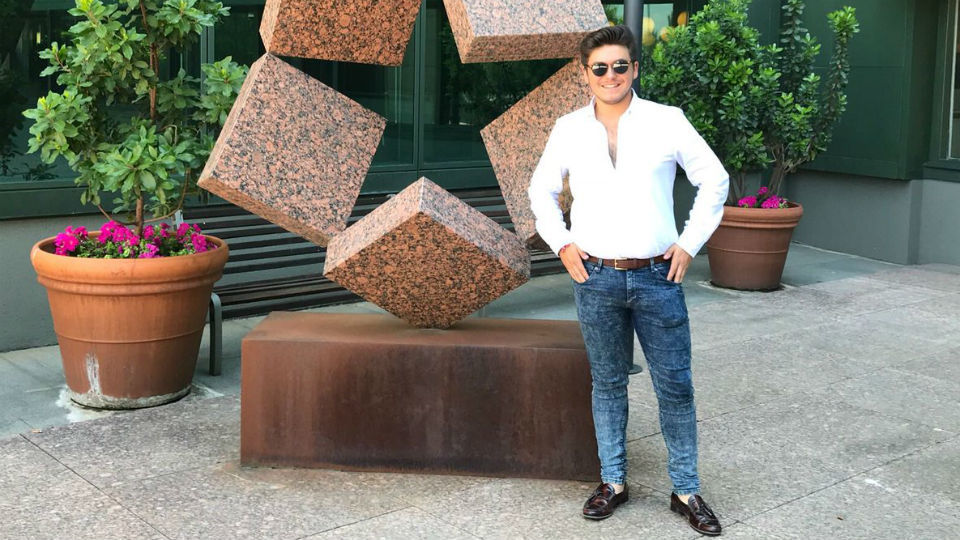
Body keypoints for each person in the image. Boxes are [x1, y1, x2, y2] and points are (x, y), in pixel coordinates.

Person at [527, 25, 728, 536]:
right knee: (608, 383)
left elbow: (715, 180)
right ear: (585, 74)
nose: (610, 75)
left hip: (658, 275)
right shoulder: (568, 128)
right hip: (594, 277)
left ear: (634, 69)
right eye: (600, 67)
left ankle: (686, 490)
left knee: (675, 386)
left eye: (620, 65)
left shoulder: (667, 120)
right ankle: (613, 482)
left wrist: (689, 243)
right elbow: (539, 191)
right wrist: (562, 244)